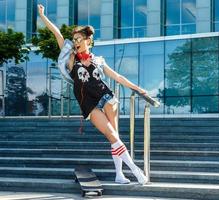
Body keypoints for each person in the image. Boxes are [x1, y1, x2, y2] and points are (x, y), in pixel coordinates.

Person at [37, 4, 147, 185]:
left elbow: (117, 77)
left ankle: (119, 175)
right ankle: (135, 170)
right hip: (90, 104)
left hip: (107, 97)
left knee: (115, 137)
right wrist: (43, 16)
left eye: (79, 38)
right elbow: (58, 35)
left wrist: (137, 88)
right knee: (111, 134)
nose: (76, 41)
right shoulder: (71, 59)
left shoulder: (99, 60)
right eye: (74, 39)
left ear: (88, 40)